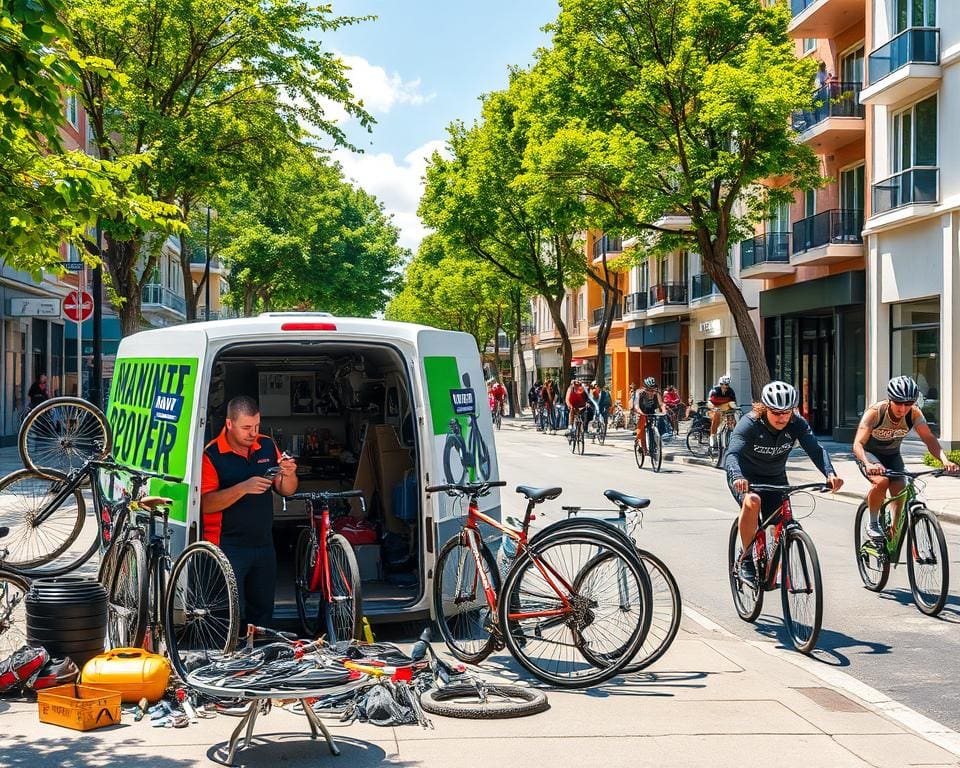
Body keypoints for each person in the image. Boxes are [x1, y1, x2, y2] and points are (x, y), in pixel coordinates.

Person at [725, 381, 843, 586]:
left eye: (786, 413)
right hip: (745, 478)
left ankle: (773, 569)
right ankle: (747, 558)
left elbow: (815, 449)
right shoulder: (750, 423)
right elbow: (732, 454)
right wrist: (737, 477)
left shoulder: (796, 423)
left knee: (779, 525)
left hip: (775, 478)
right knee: (753, 502)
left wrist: (830, 473)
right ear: (764, 408)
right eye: (776, 413)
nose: (781, 418)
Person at [200, 395, 298, 626]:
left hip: (264, 543)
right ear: (229, 424)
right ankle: (230, 649)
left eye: (256, 426)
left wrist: (289, 473)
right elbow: (205, 504)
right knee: (227, 614)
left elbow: (287, 490)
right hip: (226, 545)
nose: (253, 433)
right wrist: (243, 488)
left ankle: (260, 648)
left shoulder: (266, 445)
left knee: (263, 613)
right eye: (246, 427)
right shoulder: (212, 454)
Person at [852, 376, 959, 541]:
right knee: (881, 482)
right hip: (869, 454)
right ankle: (873, 523)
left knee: (901, 491)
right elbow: (858, 444)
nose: (903, 408)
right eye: (898, 403)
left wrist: (945, 460)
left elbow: (929, 439)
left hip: (892, 455)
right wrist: (867, 464)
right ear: (890, 400)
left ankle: (893, 537)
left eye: (908, 403)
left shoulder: (914, 413)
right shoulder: (875, 412)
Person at [632, 377, 664, 455]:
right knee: (641, 428)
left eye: (652, 389)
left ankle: (654, 444)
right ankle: (640, 444)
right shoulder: (639, 393)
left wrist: (664, 411)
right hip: (640, 411)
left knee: (658, 424)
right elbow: (636, 406)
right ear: (644, 388)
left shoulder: (656, 392)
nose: (651, 392)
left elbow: (661, 404)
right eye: (649, 389)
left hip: (651, 411)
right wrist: (641, 413)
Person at [708, 375, 738, 448]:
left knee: (732, 420)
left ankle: (734, 437)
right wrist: (713, 407)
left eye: (726, 385)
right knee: (716, 416)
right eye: (722, 384)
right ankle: (713, 436)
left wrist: (735, 408)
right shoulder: (714, 391)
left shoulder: (730, 391)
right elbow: (709, 402)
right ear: (720, 384)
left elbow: (733, 403)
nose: (725, 386)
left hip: (726, 410)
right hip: (715, 408)